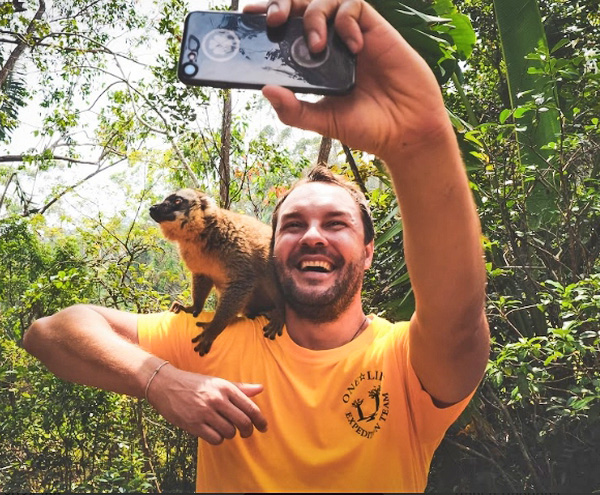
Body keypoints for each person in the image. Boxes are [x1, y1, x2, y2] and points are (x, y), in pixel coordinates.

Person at [23, 0, 490, 491]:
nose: (312, 235)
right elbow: (49, 334)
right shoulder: (219, 339)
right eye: (292, 225)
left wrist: (419, 137)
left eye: (335, 223)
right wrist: (159, 379)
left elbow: (456, 316)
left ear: (370, 250)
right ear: (273, 247)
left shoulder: (403, 362)